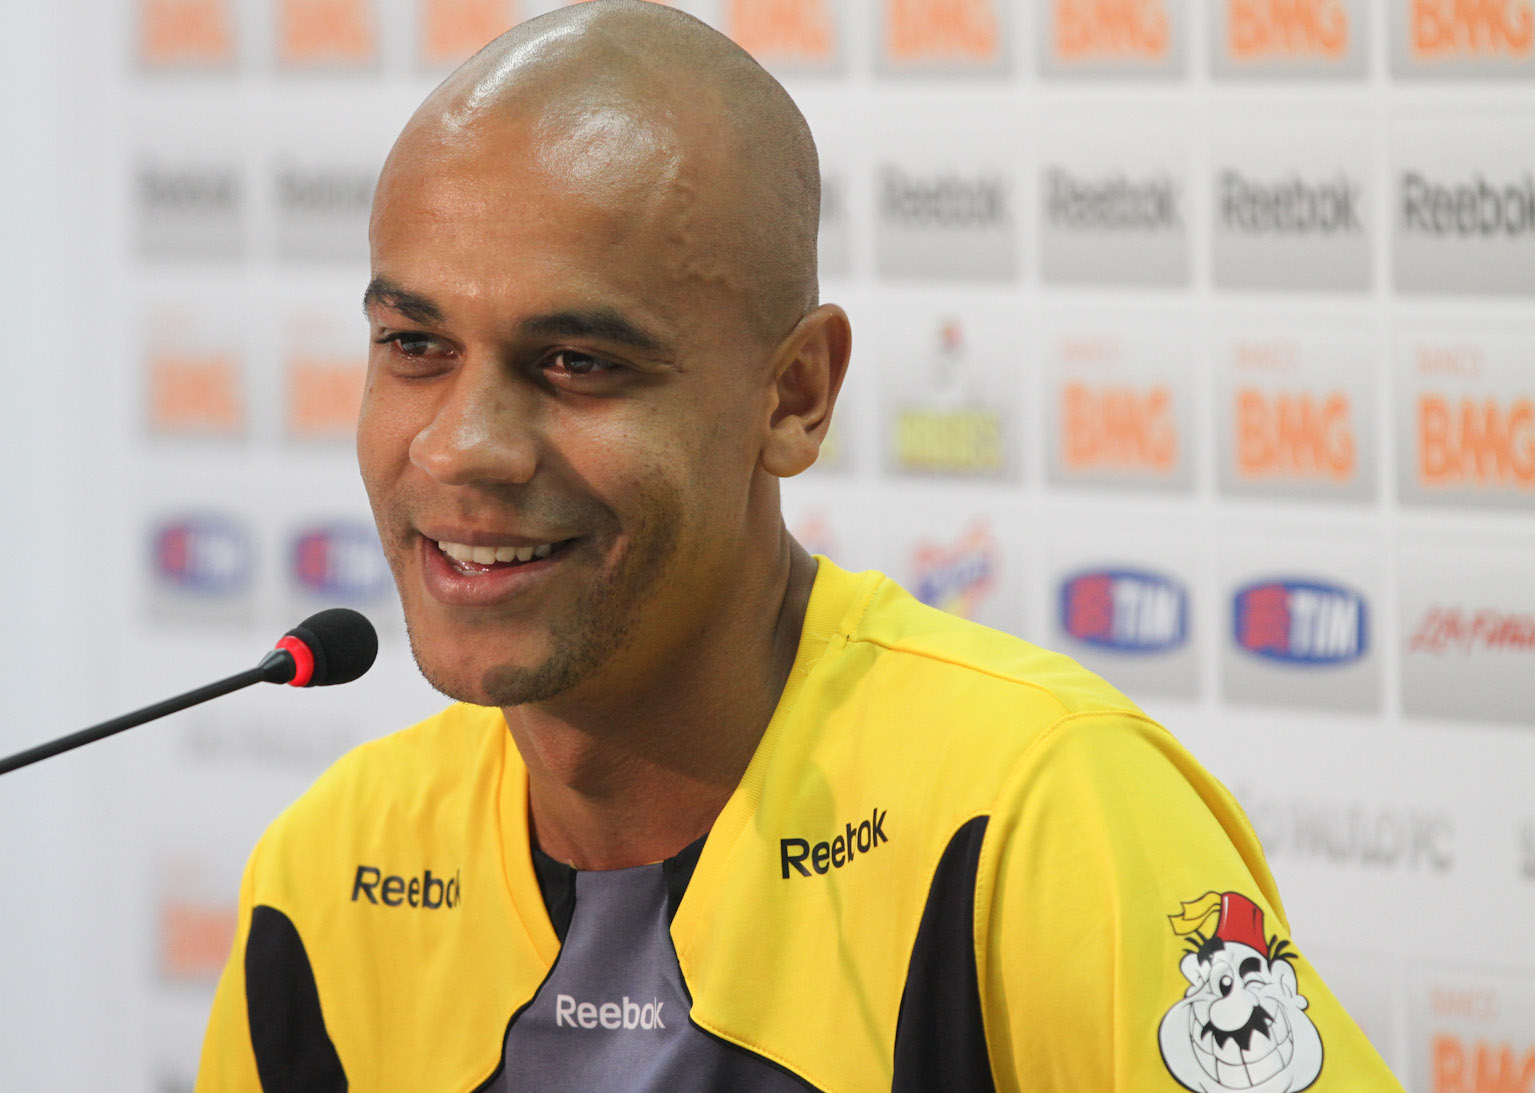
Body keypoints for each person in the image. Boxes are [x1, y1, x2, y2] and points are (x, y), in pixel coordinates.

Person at [197, 2, 1403, 1090]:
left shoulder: (1037, 811)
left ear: (794, 396)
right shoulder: (328, 871)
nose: (464, 448)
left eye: (576, 362)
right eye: (414, 346)